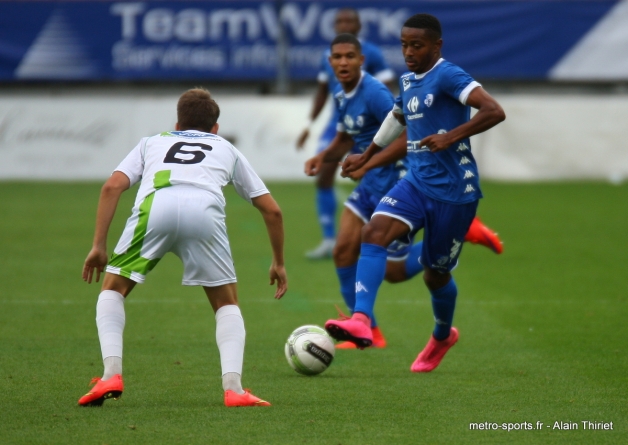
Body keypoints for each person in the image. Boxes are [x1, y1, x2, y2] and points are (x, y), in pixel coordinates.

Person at [78, 88, 287, 408]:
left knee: (113, 290)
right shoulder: (226, 148)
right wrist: (278, 262)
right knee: (226, 304)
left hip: (155, 210)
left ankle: (111, 374)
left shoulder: (152, 142)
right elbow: (272, 210)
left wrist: (98, 245)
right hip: (204, 214)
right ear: (215, 128)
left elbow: (112, 187)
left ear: (177, 122)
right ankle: (234, 389)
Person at [325, 13, 506, 373]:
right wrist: (368, 155)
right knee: (373, 233)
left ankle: (442, 335)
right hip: (416, 183)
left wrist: (451, 136)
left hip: (455, 192)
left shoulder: (448, 75)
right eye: (404, 45)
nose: (408, 52)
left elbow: (494, 110)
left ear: (436, 46)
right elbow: (396, 119)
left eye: (417, 45)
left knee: (434, 275)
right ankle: (362, 319)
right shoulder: (408, 80)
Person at [296, 8, 395, 259]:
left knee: (374, 176)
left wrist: (389, 116)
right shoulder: (325, 56)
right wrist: (308, 125)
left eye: (349, 21)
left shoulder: (371, 54)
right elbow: (322, 92)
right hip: (340, 123)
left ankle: (383, 232)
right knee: (324, 174)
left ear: (359, 26)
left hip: (369, 125)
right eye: (339, 21)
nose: (344, 24)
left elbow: (388, 89)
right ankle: (330, 239)